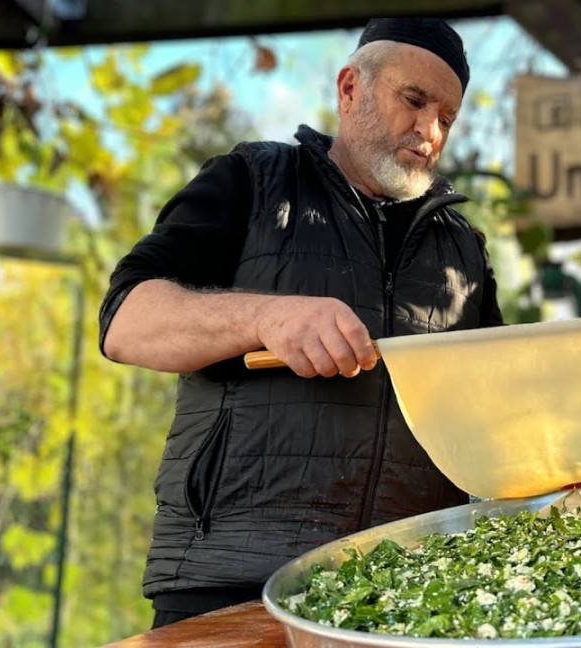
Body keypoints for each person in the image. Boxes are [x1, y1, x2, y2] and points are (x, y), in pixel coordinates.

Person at [98, 18, 502, 628]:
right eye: (414, 101)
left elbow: (501, 409)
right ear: (349, 89)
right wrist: (265, 315)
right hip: (232, 583)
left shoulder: (465, 251)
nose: (429, 130)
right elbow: (126, 323)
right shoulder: (251, 181)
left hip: (412, 596)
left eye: (447, 117)